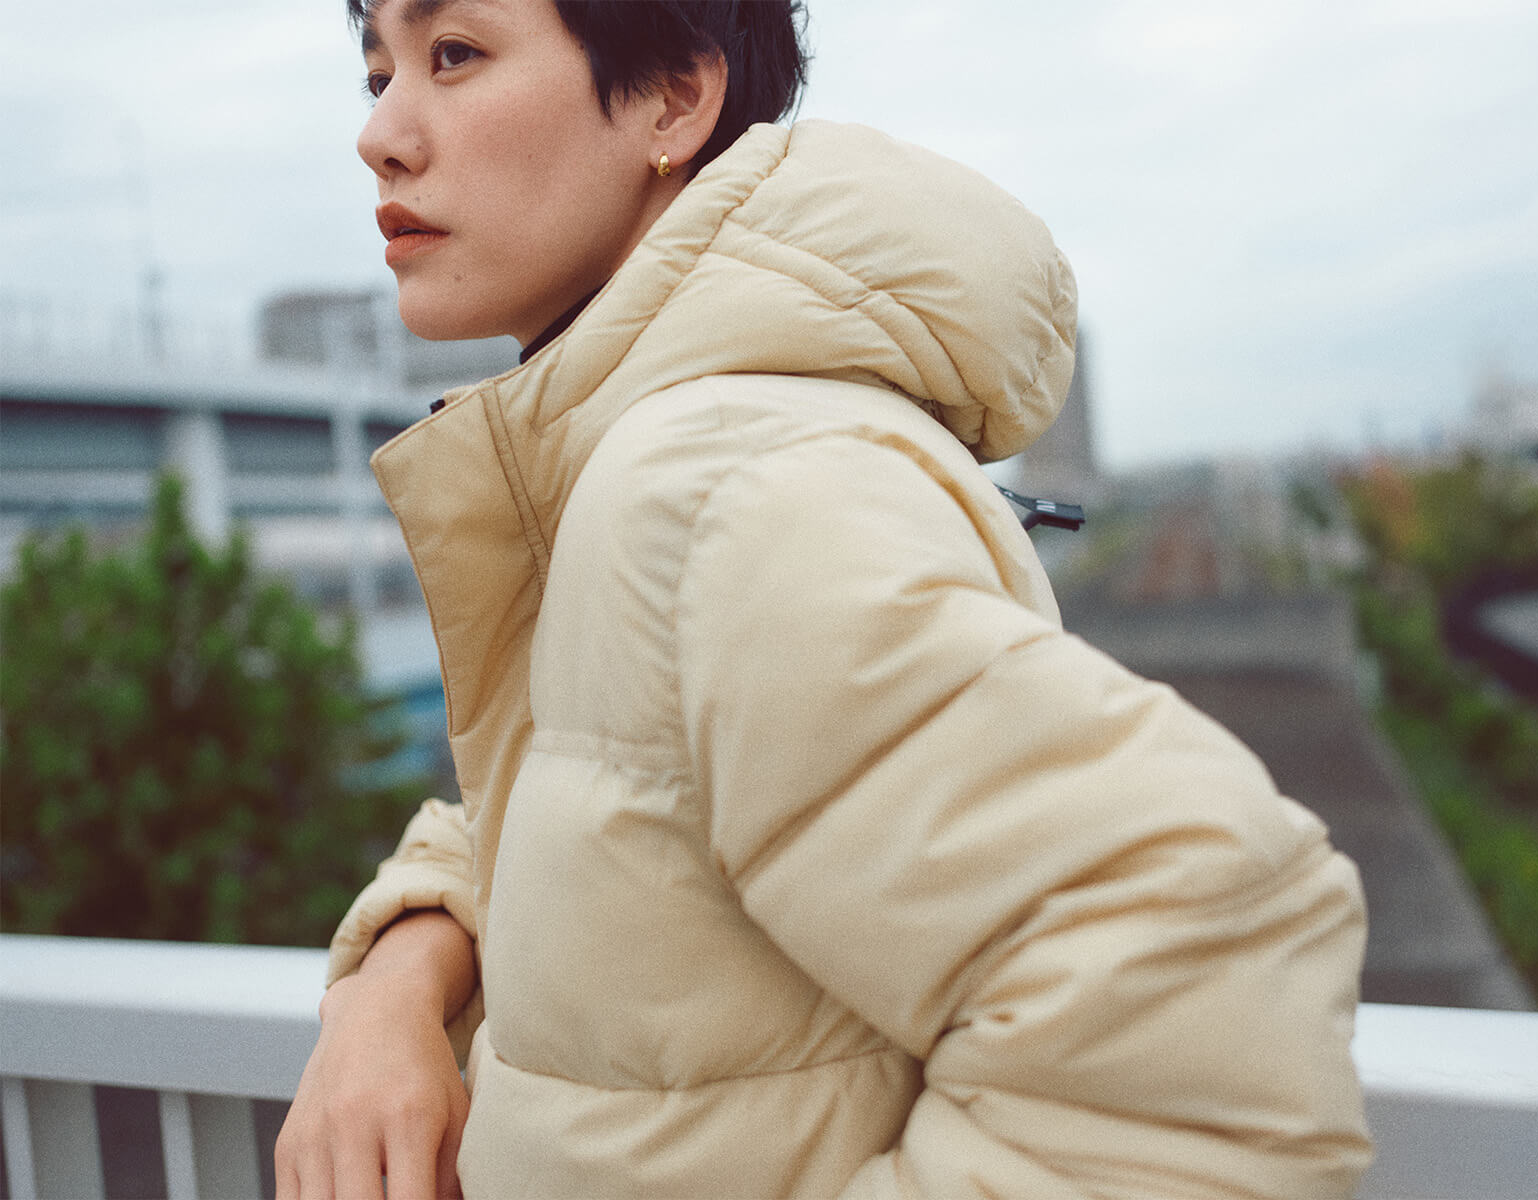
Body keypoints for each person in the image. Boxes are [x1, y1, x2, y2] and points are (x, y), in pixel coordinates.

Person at [276, 1, 1373, 1196]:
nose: (380, 134)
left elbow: (1192, 968)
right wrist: (398, 979)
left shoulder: (721, 487)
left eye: (454, 55)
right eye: (378, 73)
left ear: (671, 101)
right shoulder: (652, 460)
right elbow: (596, 802)